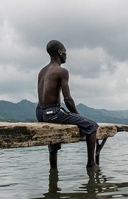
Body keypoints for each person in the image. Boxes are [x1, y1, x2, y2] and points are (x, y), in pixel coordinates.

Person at [36, 40, 99, 169]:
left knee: (52, 135)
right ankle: (91, 164)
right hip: (52, 112)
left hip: (39, 112)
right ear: (60, 52)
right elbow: (68, 99)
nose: (66, 54)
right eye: (65, 51)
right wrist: (77, 116)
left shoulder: (42, 71)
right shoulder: (61, 71)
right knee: (92, 126)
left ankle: (53, 170)